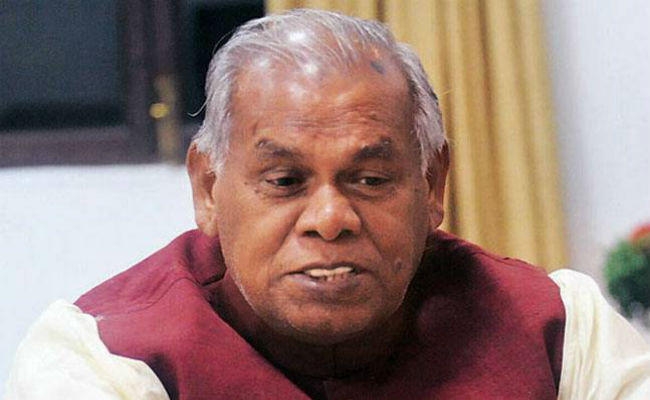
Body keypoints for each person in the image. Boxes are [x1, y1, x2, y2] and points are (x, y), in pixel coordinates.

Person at [5, 9, 650, 400]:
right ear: (207, 189)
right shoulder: (104, 359)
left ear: (433, 186)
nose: (330, 219)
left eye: (369, 179)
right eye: (285, 180)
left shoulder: (561, 330)